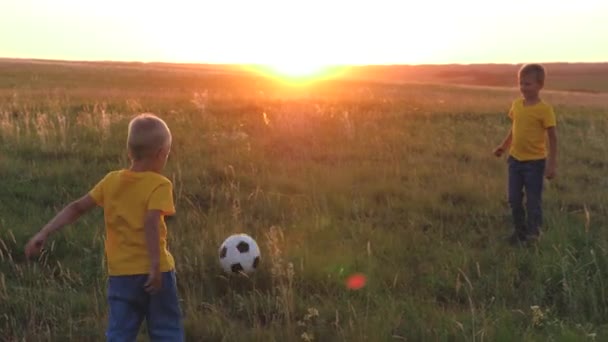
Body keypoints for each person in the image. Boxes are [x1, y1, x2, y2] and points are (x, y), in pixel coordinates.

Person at [25, 113, 184, 341]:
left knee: (120, 332)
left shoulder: (111, 181)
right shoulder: (160, 184)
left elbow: (76, 207)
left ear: (130, 152)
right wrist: (155, 266)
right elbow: (150, 222)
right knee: (166, 329)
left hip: (121, 274)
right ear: (161, 154)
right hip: (156, 273)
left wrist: (44, 232)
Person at [493, 64, 558, 245]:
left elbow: (553, 138)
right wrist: (503, 147)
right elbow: (514, 130)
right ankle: (519, 232)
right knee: (514, 199)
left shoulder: (544, 110)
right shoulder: (516, 105)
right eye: (521, 83)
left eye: (527, 84)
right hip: (515, 161)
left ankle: (533, 236)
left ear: (540, 85)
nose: (523, 88)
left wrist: (551, 165)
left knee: (533, 201)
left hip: (535, 164)